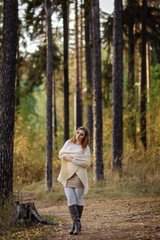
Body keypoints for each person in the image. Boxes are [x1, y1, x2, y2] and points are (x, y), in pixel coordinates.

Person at [57, 126, 90, 235]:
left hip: (79, 175)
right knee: (70, 199)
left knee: (78, 199)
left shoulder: (85, 148)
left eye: (81, 134)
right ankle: (77, 224)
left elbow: (86, 163)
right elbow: (61, 154)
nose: (78, 136)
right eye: (78, 133)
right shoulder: (68, 143)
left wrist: (72, 159)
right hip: (67, 175)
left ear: (85, 137)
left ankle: (75, 226)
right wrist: (65, 157)